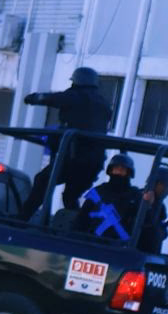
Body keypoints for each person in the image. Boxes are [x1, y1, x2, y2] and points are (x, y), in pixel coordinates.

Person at [20, 66, 113, 218]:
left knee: (42, 180)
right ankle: (76, 227)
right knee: (70, 196)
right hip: (94, 161)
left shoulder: (75, 95)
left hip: (74, 157)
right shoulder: (103, 104)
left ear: (76, 81)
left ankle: (22, 217)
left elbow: (52, 98)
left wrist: (33, 98)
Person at [76, 153, 142, 242]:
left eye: (122, 170)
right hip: (92, 242)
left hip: (120, 247)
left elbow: (142, 224)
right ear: (110, 171)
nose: (118, 172)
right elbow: (81, 219)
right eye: (116, 169)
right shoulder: (98, 192)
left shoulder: (135, 196)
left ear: (128, 172)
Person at [138, 164, 168, 254]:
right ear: (153, 183)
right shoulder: (138, 198)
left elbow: (157, 229)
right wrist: (148, 206)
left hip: (150, 255)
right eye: (162, 184)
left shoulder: (160, 206)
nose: (165, 189)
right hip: (135, 252)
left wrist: (162, 231)